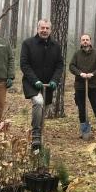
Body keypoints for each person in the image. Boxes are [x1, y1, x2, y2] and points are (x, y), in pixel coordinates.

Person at [20, 19, 64, 150]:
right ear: (37, 29)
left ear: (50, 30)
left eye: (47, 28)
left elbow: (59, 65)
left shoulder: (55, 46)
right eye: (42, 28)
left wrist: (55, 80)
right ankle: (36, 135)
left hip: (48, 85)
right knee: (38, 102)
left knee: (44, 108)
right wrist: (35, 81)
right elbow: (24, 64)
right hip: (31, 83)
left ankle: (39, 140)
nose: (44, 30)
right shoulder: (28, 43)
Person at [69, 34, 96, 139]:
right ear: (81, 42)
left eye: (87, 40)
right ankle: (84, 132)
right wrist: (80, 73)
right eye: (83, 40)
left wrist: (93, 74)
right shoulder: (77, 54)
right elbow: (71, 66)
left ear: (90, 42)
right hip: (80, 86)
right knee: (82, 109)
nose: (85, 41)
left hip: (93, 86)